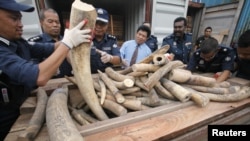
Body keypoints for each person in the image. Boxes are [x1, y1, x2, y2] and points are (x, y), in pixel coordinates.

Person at [0, 0, 91, 140]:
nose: (21, 24)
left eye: (20, 18)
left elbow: (50, 48)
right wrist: (68, 43)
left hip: (24, 107)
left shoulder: (18, 42)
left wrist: (74, 37)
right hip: (6, 118)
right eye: (14, 18)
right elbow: (40, 77)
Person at [28, 8, 73, 78]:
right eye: (50, 21)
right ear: (41, 23)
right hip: (48, 86)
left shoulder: (68, 41)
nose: (55, 25)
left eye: (57, 22)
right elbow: (32, 72)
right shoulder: (36, 43)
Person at [90, 8, 121, 73]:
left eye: (102, 24)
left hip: (107, 75)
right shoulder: (86, 39)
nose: (98, 27)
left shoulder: (111, 40)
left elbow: (118, 59)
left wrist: (110, 58)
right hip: (89, 76)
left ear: (107, 25)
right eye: (96, 23)